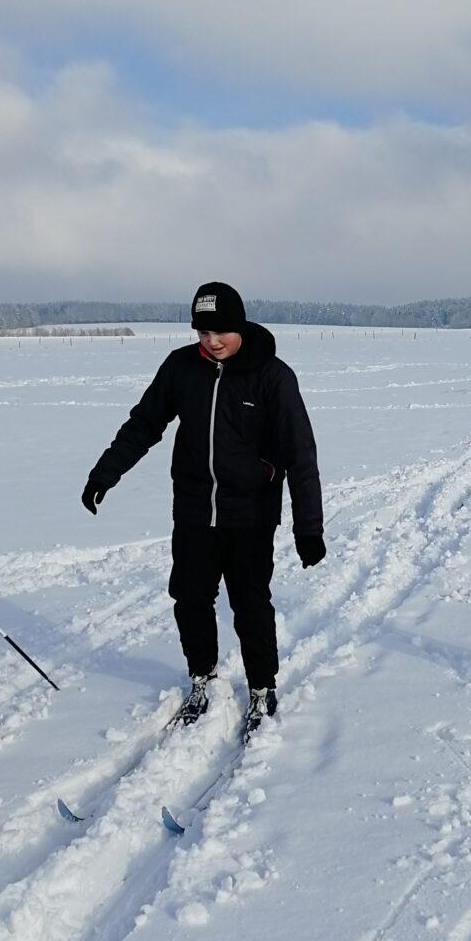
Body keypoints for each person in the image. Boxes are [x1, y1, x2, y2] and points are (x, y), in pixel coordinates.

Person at [82, 282, 324, 739]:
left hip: (250, 514)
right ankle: (202, 676)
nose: (211, 341)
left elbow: (301, 453)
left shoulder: (272, 376)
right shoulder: (181, 367)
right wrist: (105, 473)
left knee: (250, 604)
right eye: (202, 331)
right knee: (190, 598)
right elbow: (145, 423)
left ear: (240, 326)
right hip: (194, 510)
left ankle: (262, 687)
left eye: (221, 332)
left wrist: (308, 528)